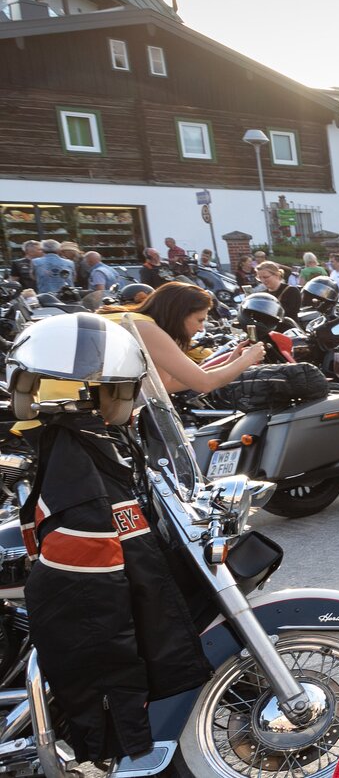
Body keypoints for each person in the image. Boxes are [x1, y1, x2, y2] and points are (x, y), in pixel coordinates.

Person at [10, 312, 215, 765]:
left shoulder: (72, 450)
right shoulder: (82, 485)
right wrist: (122, 728)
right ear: (120, 394)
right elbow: (92, 620)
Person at [107, 282, 264, 392]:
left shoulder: (140, 322)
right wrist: (248, 359)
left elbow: (166, 384)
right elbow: (204, 383)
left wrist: (231, 362)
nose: (201, 328)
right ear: (179, 314)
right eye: (200, 320)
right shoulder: (145, 328)